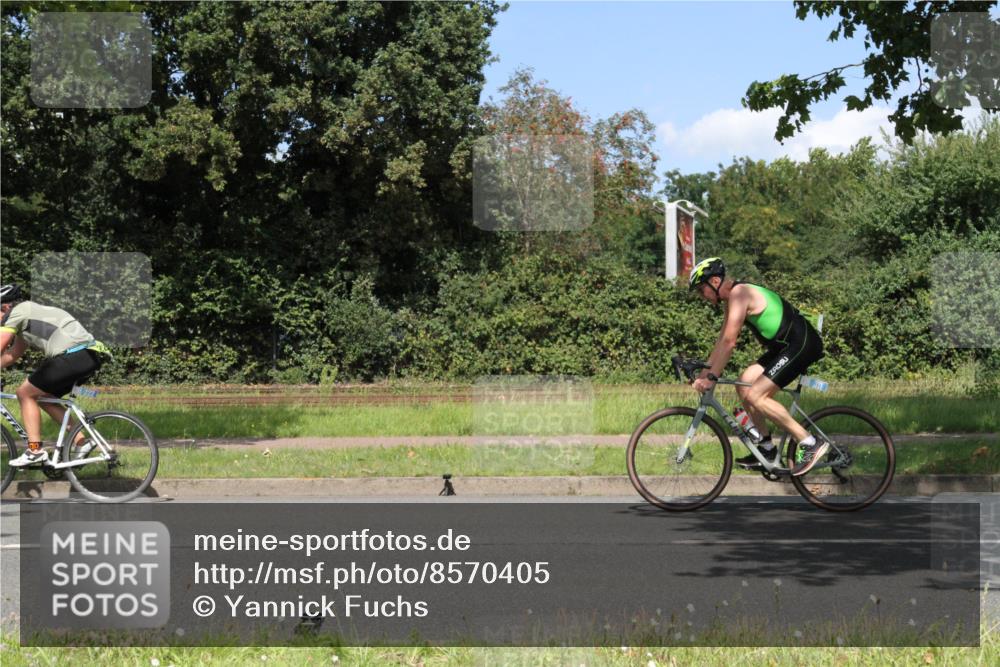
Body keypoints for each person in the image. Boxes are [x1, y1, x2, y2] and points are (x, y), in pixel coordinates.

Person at [686, 258, 827, 476]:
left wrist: (711, 376)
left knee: (757, 396)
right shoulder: (732, 299)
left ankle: (809, 442)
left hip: (801, 343)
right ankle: (767, 448)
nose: (701, 296)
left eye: (701, 289)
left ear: (714, 281)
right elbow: (721, 341)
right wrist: (704, 374)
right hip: (785, 347)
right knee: (745, 382)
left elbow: (730, 343)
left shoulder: (740, 294)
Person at [0, 283, 108, 466]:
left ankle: (35, 450)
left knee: (24, 393)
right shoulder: (28, 313)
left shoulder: (17, 313)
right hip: (90, 355)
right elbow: (12, 355)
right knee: (43, 397)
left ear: (5, 306)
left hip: (75, 354)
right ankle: (81, 442)